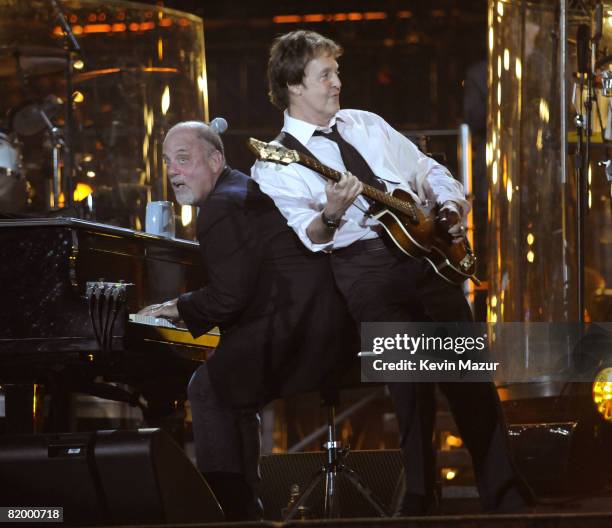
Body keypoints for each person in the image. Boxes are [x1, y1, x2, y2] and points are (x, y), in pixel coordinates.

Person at [251, 30, 533, 515]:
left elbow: (425, 168)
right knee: (411, 386)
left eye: (336, 71)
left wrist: (445, 207)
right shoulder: (276, 164)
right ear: (294, 85)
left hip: (426, 256)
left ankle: (503, 492)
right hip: (364, 269)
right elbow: (310, 235)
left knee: (469, 377)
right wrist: (334, 212)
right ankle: (421, 496)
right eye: (326, 74)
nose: (338, 82)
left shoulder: (365, 123)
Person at [139, 121, 356, 520]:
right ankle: (246, 502)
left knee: (207, 388)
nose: (172, 171)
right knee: (230, 383)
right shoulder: (239, 190)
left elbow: (228, 297)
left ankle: (227, 508)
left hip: (299, 329)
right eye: (168, 162)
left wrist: (178, 307)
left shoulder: (221, 207)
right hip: (310, 319)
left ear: (215, 159)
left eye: (183, 159)